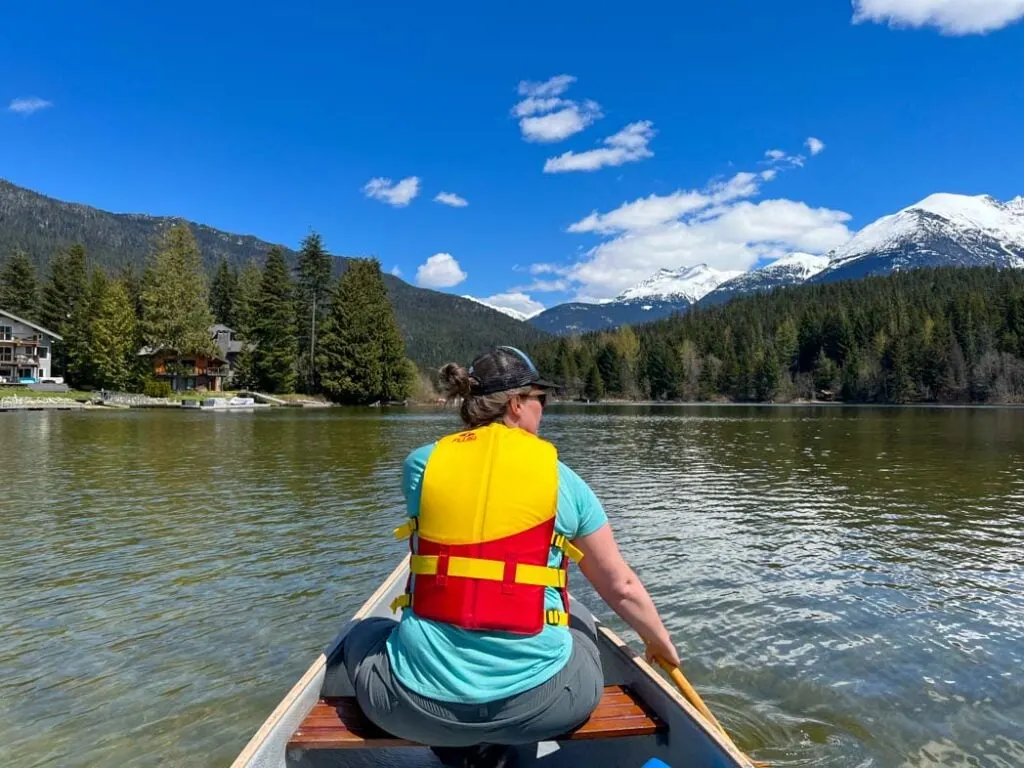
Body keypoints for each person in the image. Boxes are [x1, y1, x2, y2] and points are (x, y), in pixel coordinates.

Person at [342, 346, 680, 767]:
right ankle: (500, 743)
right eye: (542, 400)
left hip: (410, 709)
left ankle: (460, 746)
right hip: (544, 709)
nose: (545, 411)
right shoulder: (563, 480)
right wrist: (658, 641)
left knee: (363, 632)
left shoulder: (420, 466)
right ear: (518, 404)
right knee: (580, 624)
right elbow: (621, 586)